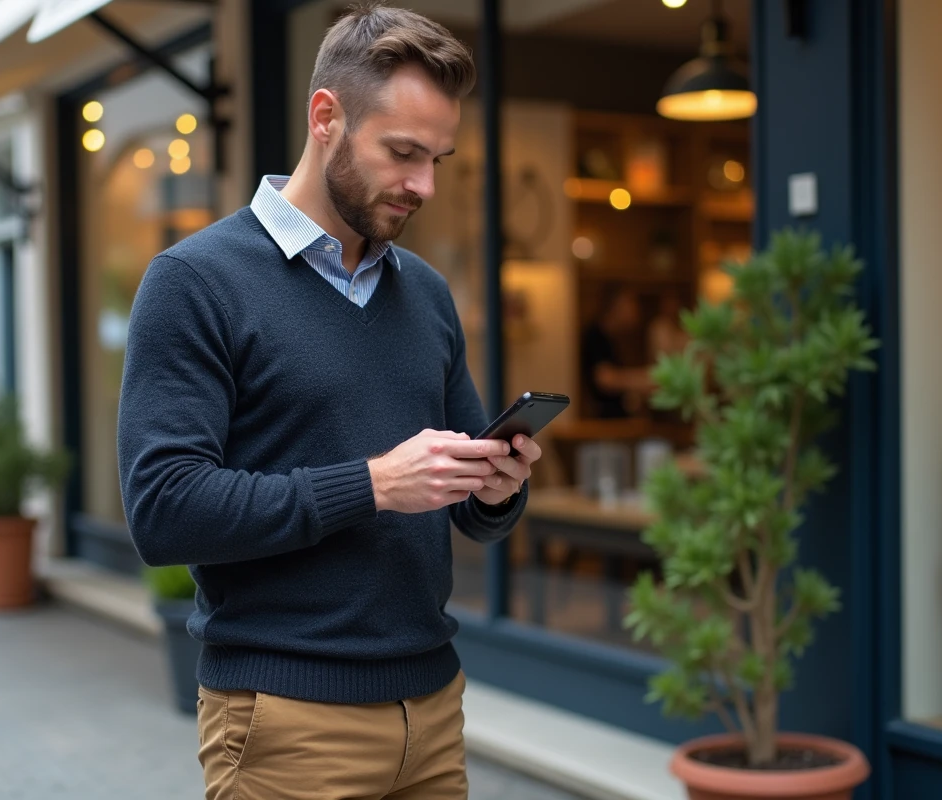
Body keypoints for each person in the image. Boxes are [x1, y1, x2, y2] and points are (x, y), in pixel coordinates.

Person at [116, 5, 542, 799]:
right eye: (403, 153)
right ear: (326, 119)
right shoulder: (195, 282)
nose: (425, 184)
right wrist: (375, 484)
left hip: (434, 712)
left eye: (439, 158)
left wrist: (496, 488)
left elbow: (461, 493)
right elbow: (164, 510)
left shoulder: (427, 293)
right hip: (287, 722)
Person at [580, 282, 654, 418]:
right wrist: (644, 379)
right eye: (630, 302)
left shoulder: (613, 338)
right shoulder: (595, 335)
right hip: (603, 423)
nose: (636, 309)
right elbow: (604, 378)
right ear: (616, 304)